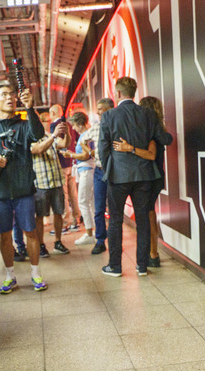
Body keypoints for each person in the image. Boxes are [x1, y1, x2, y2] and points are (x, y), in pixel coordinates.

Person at [0, 85, 47, 294]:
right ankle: (10, 276)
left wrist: (30, 108)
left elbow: (38, 134)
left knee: (30, 232)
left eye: (11, 95)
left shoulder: (24, 126)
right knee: (4, 235)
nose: (9, 98)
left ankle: (36, 273)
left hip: (24, 190)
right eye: (3, 95)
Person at [98, 77, 173, 276]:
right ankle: (142, 266)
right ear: (134, 92)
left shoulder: (109, 116)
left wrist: (108, 169)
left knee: (115, 220)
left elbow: (103, 149)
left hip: (118, 176)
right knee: (143, 220)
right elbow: (162, 138)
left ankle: (115, 266)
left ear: (118, 93)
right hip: (144, 175)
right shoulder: (148, 114)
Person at [114, 96, 169, 267]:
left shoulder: (152, 133)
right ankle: (153, 254)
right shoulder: (156, 130)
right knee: (149, 214)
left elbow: (151, 154)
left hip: (151, 178)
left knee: (148, 215)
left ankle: (153, 254)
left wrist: (129, 148)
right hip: (154, 177)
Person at [31, 121, 71, 257]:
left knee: (58, 213)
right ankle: (41, 244)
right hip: (40, 183)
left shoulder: (48, 135)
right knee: (39, 216)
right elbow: (38, 149)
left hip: (56, 181)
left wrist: (67, 133)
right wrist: (54, 136)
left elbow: (64, 144)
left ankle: (58, 242)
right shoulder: (30, 138)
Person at [62, 111, 97, 246]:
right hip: (89, 170)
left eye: (74, 126)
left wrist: (70, 155)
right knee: (91, 202)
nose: (74, 128)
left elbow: (85, 156)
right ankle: (95, 231)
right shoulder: (89, 134)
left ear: (79, 124)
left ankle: (89, 233)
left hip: (86, 170)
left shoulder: (85, 136)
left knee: (83, 201)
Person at [48, 103, 81, 230]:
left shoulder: (54, 126)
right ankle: (76, 220)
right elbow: (75, 140)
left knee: (64, 195)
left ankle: (66, 223)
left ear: (53, 113)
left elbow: (55, 143)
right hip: (71, 162)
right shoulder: (69, 125)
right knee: (74, 194)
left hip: (61, 163)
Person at [89, 98, 114, 255]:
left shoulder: (116, 125)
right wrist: (90, 151)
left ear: (108, 109)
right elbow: (84, 140)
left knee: (114, 209)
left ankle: (114, 241)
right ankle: (100, 241)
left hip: (114, 171)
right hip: (99, 171)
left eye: (100, 109)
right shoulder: (95, 127)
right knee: (99, 208)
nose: (97, 112)